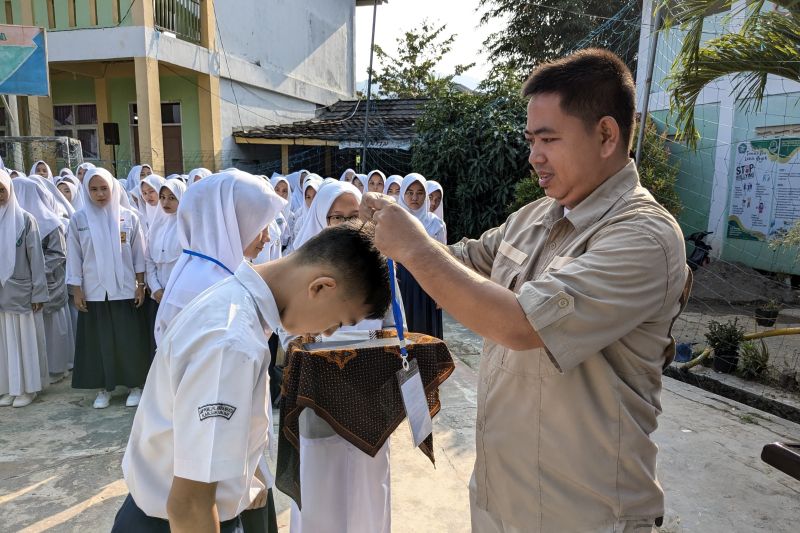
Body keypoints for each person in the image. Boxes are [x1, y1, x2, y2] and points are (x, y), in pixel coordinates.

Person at [361, 48, 690, 532]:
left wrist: (413, 247)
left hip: (581, 514)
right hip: (501, 497)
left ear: (605, 135)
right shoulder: (536, 216)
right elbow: (466, 261)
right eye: (531, 139)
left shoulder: (643, 238)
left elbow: (520, 325)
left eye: (549, 139)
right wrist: (383, 236)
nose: (533, 155)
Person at [114, 223, 391, 533]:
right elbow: (189, 505)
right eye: (338, 322)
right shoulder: (232, 344)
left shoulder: (233, 302)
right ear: (320, 287)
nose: (327, 333)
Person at [288, 180, 397, 533]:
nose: (349, 225)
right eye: (337, 217)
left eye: (355, 216)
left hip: (370, 396)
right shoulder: (299, 270)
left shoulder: (379, 269)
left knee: (367, 483)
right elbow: (287, 334)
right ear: (321, 219)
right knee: (321, 484)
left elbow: (394, 326)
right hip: (319, 398)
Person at [153, 170, 286, 344]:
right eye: (262, 226)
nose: (267, 237)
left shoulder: (200, 269)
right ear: (234, 221)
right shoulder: (216, 286)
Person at [67, 167, 150, 409]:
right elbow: (74, 256)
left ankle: (135, 385)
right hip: (94, 290)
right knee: (99, 341)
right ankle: (105, 388)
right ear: (86, 191)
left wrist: (140, 284)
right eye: (94, 189)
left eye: (104, 188)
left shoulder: (129, 217)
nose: (100, 194)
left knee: (128, 339)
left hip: (125, 289)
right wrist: (77, 289)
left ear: (113, 188)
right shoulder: (78, 220)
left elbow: (138, 255)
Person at [14, 177, 75, 384]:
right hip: (26, 284)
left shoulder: (51, 223)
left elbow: (58, 254)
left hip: (51, 283)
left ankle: (58, 367)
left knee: (54, 328)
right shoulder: (14, 222)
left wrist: (36, 271)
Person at [0, 170, 49, 408]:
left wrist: (39, 292)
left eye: (2, 189)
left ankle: (28, 388)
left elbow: (37, 259)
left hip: (22, 292)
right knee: (5, 343)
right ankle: (10, 387)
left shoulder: (25, 220)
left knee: (25, 341)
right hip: (2, 294)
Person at [394, 173, 446, 338]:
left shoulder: (436, 223)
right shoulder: (393, 220)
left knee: (425, 331)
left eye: (420, 192)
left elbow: (443, 259)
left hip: (428, 283)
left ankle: (426, 363)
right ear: (403, 194)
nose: (414, 197)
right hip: (400, 282)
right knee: (403, 328)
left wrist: (441, 293)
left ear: (426, 195)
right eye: (410, 192)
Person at [426, 179, 447, 243]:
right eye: (430, 197)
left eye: (438, 200)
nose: (433, 203)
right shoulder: (409, 217)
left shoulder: (440, 224)